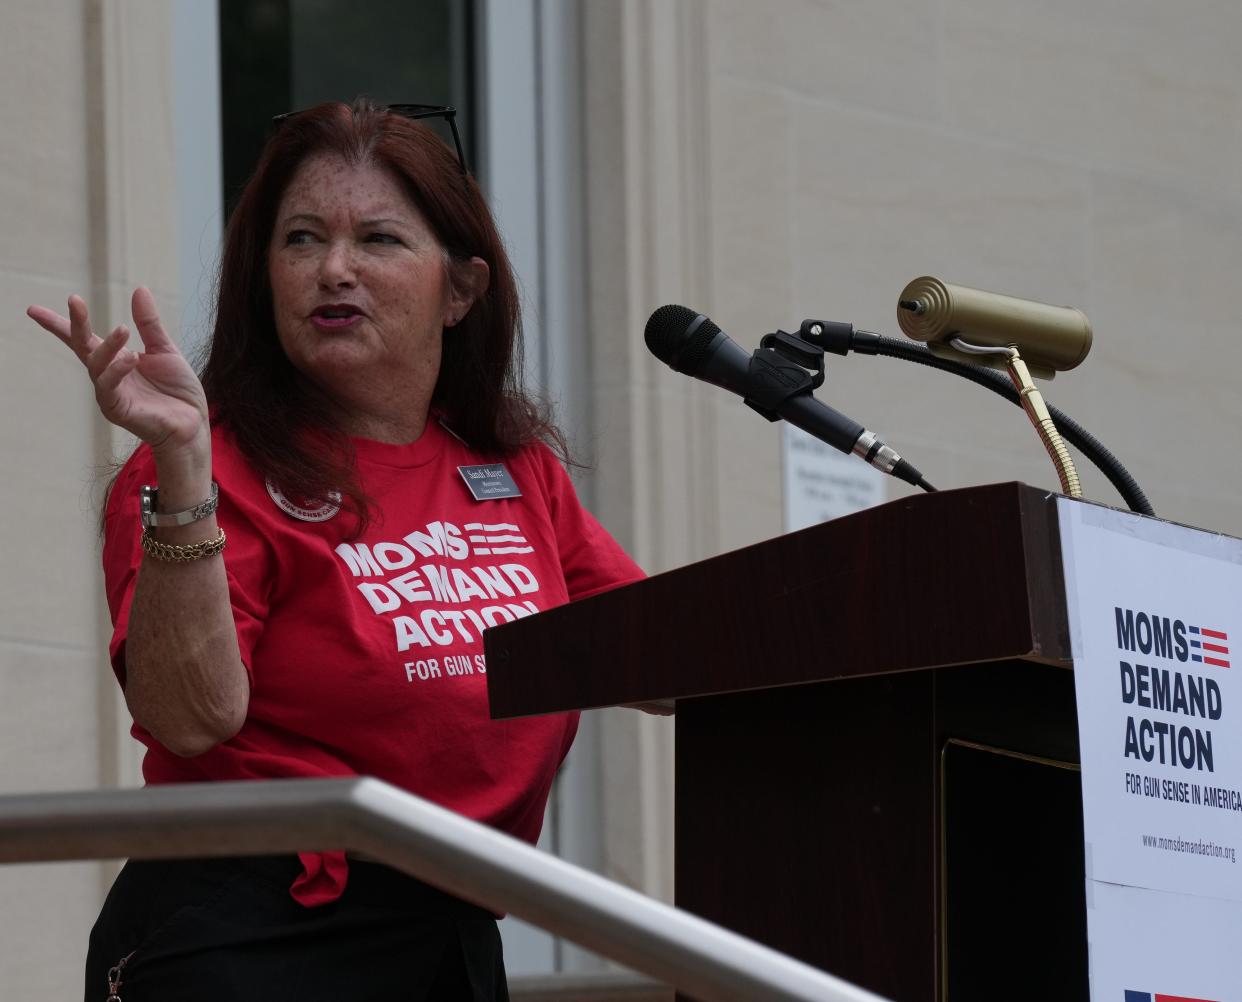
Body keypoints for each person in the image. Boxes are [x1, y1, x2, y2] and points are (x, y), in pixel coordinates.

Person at [27, 98, 644, 1002]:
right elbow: (190, 720)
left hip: (453, 927)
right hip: (253, 929)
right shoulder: (208, 465)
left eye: (380, 241)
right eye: (302, 240)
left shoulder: (515, 471)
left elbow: (653, 650)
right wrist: (185, 468)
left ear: (462, 290)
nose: (334, 270)